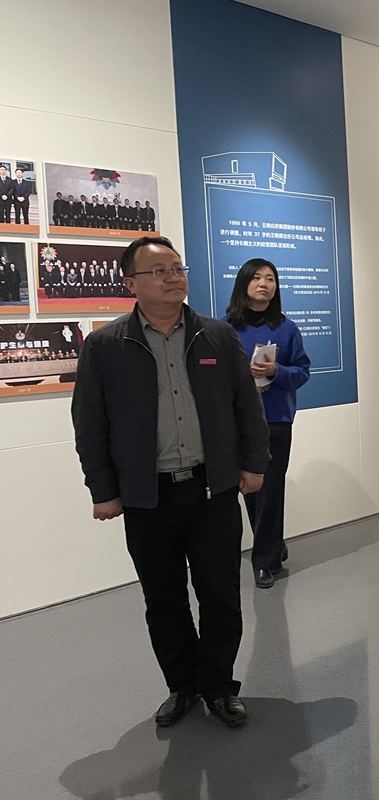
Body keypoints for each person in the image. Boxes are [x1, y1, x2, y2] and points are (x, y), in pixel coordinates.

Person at [71, 236, 270, 729]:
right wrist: (103, 490)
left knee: (220, 595)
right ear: (131, 283)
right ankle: (181, 685)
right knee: (163, 599)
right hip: (148, 495)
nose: (173, 278)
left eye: (177, 268)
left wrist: (254, 464)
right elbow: (90, 425)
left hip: (211, 489)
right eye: (158, 271)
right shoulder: (105, 346)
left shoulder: (217, 336)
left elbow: (248, 407)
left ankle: (218, 687)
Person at [226, 258, 311, 589]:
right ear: (244, 283)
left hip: (275, 419)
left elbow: (302, 371)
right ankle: (272, 543)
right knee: (249, 487)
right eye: (257, 278)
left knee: (271, 489)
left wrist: (277, 371)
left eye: (271, 279)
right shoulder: (225, 328)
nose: (264, 284)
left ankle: (265, 561)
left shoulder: (286, 329)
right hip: (236, 421)